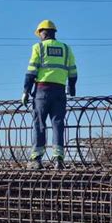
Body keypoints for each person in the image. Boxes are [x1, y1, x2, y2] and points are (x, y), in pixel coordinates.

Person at [21, 20, 77, 170]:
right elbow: (73, 71)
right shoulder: (66, 48)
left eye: (39, 33)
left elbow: (32, 70)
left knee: (39, 123)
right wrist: (71, 87)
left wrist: (26, 91)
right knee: (58, 123)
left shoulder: (38, 47)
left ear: (43, 32)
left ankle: (36, 159)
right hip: (60, 91)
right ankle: (58, 159)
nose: (39, 36)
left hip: (42, 90)